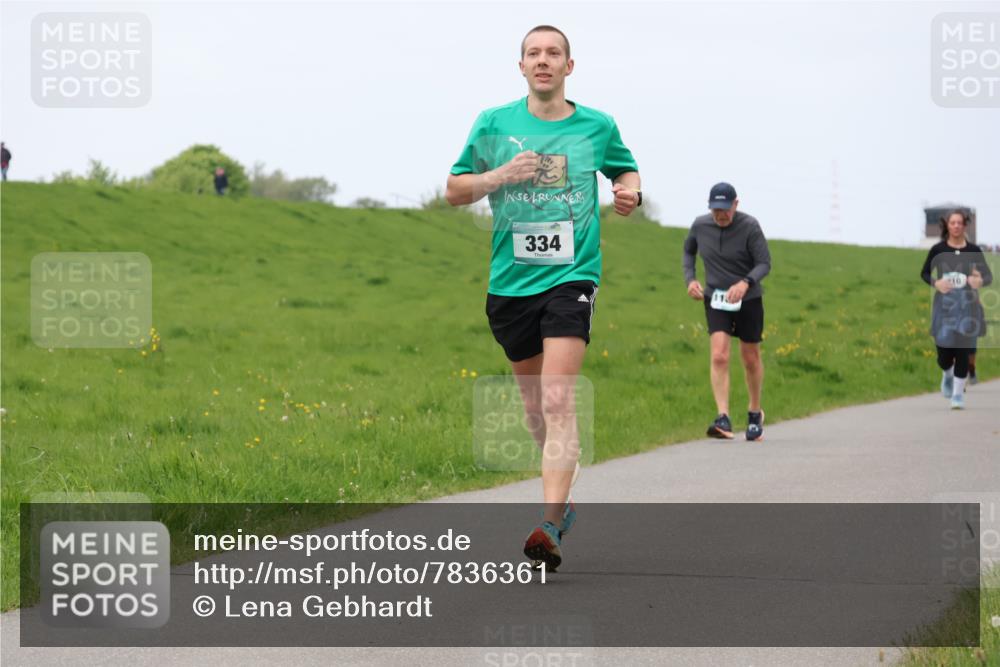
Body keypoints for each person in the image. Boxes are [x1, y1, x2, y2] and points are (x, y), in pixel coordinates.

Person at [445, 25, 641, 571]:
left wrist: (631, 191)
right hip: (510, 283)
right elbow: (454, 189)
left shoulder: (595, 126)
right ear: (522, 66)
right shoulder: (494, 123)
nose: (543, 61)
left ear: (569, 67)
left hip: (571, 277)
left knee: (558, 399)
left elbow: (624, 166)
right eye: (534, 53)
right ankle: (565, 499)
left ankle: (549, 522)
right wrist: (500, 174)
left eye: (553, 53)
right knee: (534, 407)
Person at [683, 182, 771, 441]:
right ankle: (723, 417)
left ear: (736, 205)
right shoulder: (700, 226)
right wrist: (691, 279)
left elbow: (764, 263)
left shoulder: (750, 226)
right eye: (715, 210)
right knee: (720, 355)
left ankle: (755, 412)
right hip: (715, 297)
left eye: (725, 209)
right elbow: (689, 252)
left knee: (750, 356)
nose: (720, 215)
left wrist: (745, 283)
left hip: (748, 299)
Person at [920, 209, 993, 409]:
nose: (956, 226)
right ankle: (947, 373)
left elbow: (988, 277)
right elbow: (924, 273)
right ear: (947, 226)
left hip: (967, 304)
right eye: (952, 223)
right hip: (944, 304)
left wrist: (978, 280)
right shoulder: (938, 249)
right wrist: (936, 283)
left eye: (959, 223)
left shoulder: (973, 250)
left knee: (962, 349)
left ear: (964, 226)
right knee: (944, 352)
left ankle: (958, 396)